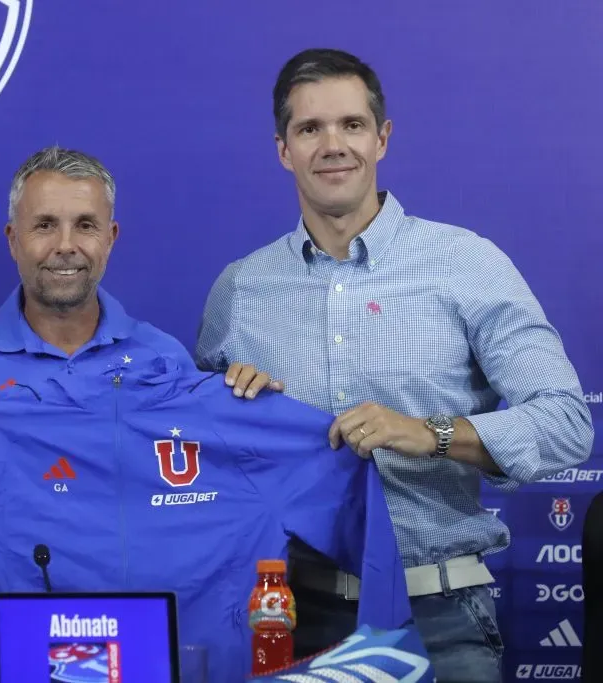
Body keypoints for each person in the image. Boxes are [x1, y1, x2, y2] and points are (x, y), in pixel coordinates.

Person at [195, 48, 593, 681]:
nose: (333, 145)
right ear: (282, 150)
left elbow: (568, 423)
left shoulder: (467, 262)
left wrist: (428, 432)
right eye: (310, 129)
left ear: (382, 138)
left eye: (351, 125)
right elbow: (196, 462)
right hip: (290, 616)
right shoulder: (240, 290)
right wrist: (233, 405)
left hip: (443, 616)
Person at [0, 145, 274, 448]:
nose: (65, 245)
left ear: (110, 239)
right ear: (13, 240)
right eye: (45, 225)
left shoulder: (165, 358)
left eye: (85, 226)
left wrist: (250, 409)